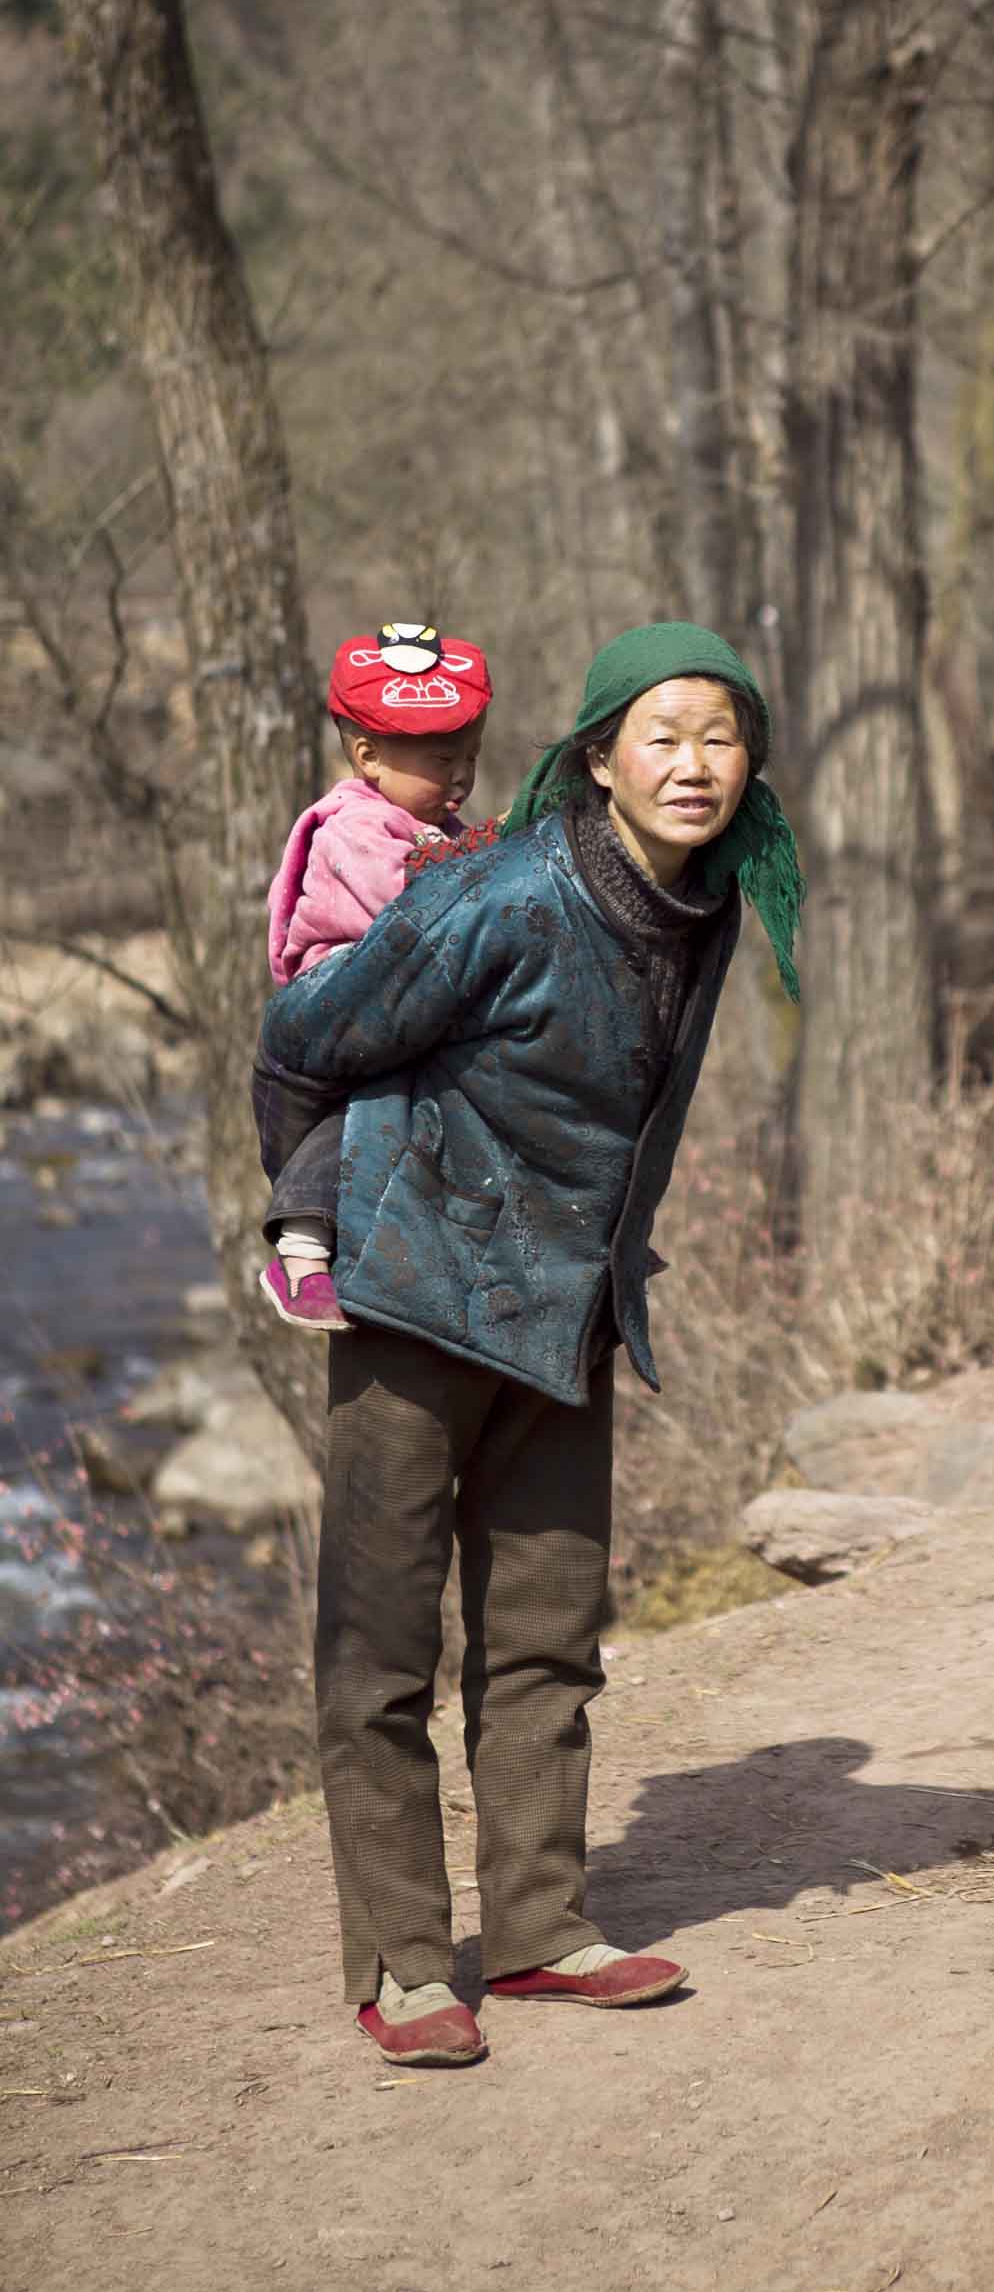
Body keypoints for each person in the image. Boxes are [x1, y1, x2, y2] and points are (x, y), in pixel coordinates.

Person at [254, 623, 803, 2069]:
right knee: (379, 1651)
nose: (695, 765)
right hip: (415, 1300)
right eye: (664, 736)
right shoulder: (498, 893)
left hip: (566, 1312)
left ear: (751, 764)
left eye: (722, 737)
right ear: (601, 755)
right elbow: (307, 1035)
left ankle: (547, 1929)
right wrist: (307, 1221)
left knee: (550, 1640)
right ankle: (404, 1966)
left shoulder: (711, 902)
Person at [258, 622, 494, 1333]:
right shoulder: (356, 826)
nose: (460, 776)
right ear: (367, 755)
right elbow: (408, 908)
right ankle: (299, 1250)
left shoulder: (432, 823)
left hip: (406, 987)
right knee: (368, 1101)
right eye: (443, 757)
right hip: (343, 993)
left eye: (471, 757)